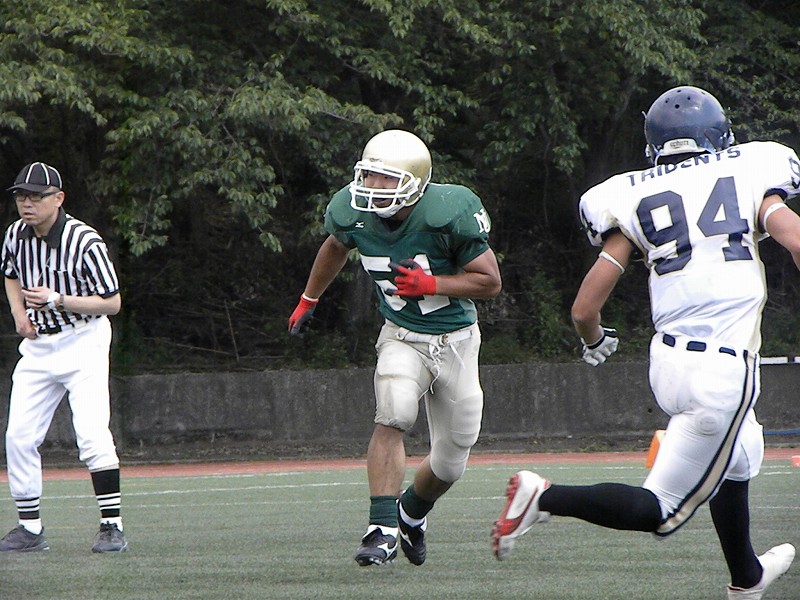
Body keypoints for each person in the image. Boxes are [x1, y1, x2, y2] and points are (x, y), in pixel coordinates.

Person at [491, 86, 798, 598]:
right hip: (723, 371)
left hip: (670, 362)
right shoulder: (750, 171)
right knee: (661, 510)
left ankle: (746, 579)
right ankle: (543, 497)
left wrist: (593, 340)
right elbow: (793, 237)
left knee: (741, 456)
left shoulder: (630, 195)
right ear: (719, 135)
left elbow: (583, 310)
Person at [288, 129, 501, 566]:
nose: (373, 186)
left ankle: (411, 512)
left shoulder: (449, 210)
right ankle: (381, 528)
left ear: (415, 182)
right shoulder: (352, 210)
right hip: (401, 334)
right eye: (369, 175)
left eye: (386, 178)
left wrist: (432, 284)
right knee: (394, 411)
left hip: (457, 341)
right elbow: (335, 246)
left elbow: (490, 281)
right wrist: (309, 299)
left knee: (451, 461)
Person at [0, 162, 128, 553]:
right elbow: (10, 273)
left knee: (91, 434)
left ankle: (112, 526)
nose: (27, 204)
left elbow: (112, 303)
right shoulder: (15, 234)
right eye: (22, 196)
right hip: (39, 344)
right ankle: (29, 529)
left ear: (58, 199)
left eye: (36, 197)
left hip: (83, 339)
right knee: (19, 436)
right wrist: (19, 314)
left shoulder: (84, 240)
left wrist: (58, 299)